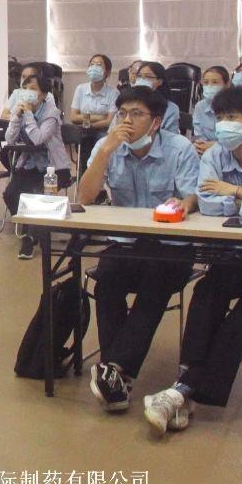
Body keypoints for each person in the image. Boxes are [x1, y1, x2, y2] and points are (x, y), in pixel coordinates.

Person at [142, 87, 242, 435]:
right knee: (206, 294)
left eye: (231, 117)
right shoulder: (215, 156)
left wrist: (236, 192)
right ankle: (184, 392)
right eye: (219, 117)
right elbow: (207, 204)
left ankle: (183, 392)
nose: (222, 125)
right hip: (233, 256)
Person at [76, 85, 199, 413]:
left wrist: (185, 203)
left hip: (171, 245)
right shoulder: (107, 145)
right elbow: (84, 198)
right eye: (122, 113)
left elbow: (192, 196)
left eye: (137, 114)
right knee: (107, 280)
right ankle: (116, 375)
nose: (127, 120)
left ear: (156, 122)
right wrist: (104, 153)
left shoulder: (179, 148)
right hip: (127, 242)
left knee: (155, 283)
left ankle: (116, 369)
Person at [3, 74, 72, 259]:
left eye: (33, 89)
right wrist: (16, 117)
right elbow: (9, 139)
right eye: (25, 88)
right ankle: (30, 229)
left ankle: (30, 237)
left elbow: (37, 139)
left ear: (43, 94)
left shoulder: (52, 113)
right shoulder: (21, 109)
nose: (28, 92)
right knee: (10, 194)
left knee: (41, 198)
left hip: (54, 168)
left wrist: (27, 115)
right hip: (29, 164)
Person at [131, 61, 182, 138]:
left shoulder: (171, 109)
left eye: (148, 76)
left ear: (160, 81)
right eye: (139, 76)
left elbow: (171, 138)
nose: (142, 79)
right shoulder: (128, 102)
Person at [192, 65, 230, 155]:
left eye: (215, 82)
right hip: (205, 153)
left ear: (227, 85)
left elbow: (238, 140)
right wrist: (201, 146)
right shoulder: (200, 106)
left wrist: (215, 146)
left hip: (230, 153)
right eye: (206, 82)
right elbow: (199, 136)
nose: (210, 86)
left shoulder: (236, 107)